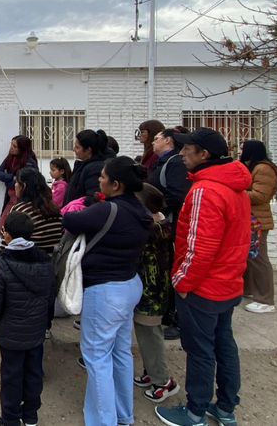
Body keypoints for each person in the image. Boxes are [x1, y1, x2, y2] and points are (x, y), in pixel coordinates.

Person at [156, 128, 251, 426]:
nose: (182, 153)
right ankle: (225, 407)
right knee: (224, 344)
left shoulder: (205, 191)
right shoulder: (234, 186)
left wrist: (182, 283)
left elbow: (198, 246)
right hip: (228, 283)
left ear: (204, 154)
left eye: (188, 149)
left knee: (199, 351)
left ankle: (195, 411)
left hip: (203, 288)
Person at [63, 156, 151, 426]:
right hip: (129, 285)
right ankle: (124, 414)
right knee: (121, 352)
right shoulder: (141, 211)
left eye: (103, 177)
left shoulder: (107, 210)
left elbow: (69, 219)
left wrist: (91, 204)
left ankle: (103, 421)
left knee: (97, 355)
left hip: (104, 290)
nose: (99, 181)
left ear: (116, 184)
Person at [0, 210, 53, 426]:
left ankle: (10, 419)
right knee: (33, 374)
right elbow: (50, 298)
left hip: (11, 335)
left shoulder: (3, 265)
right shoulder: (46, 262)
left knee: (11, 376)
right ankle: (30, 416)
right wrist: (45, 324)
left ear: (7, 236)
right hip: (36, 332)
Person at [133, 183, 180, 403]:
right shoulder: (160, 224)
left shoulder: (151, 230)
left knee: (150, 336)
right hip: (152, 292)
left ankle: (163, 381)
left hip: (151, 294)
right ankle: (151, 371)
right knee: (146, 335)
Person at [148, 127, 192, 340]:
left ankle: (176, 318)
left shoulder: (174, 163)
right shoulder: (162, 162)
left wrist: (156, 211)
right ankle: (167, 312)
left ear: (167, 140)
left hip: (170, 228)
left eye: (156, 138)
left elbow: (176, 195)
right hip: (162, 226)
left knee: (172, 269)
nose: (153, 142)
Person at [240, 139, 277, 314]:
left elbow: (259, 196)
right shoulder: (253, 168)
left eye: (242, 149)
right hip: (249, 219)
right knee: (248, 257)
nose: (239, 152)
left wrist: (236, 191)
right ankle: (248, 290)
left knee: (259, 259)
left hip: (258, 221)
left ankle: (265, 299)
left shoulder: (264, 169)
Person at [7, 168, 62, 256]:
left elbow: (6, 241)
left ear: (23, 186)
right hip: (53, 262)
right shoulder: (55, 210)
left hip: (29, 263)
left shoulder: (20, 211)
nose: (15, 185)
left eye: (17, 182)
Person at [0, 135, 38, 233]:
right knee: (2, 226)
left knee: (11, 228)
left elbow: (22, 181)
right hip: (10, 197)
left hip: (20, 198)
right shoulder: (11, 158)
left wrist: (10, 181)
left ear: (22, 149)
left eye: (15, 146)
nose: (11, 148)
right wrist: (11, 177)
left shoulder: (29, 162)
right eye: (11, 145)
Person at [63, 129, 108, 207]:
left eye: (77, 147)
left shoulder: (94, 169)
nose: (73, 150)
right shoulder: (83, 165)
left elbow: (92, 199)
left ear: (88, 150)